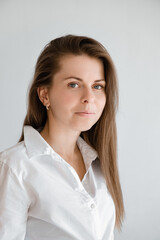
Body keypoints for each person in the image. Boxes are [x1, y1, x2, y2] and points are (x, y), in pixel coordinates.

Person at [0, 34, 124, 240]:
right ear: (44, 95)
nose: (89, 98)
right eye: (74, 84)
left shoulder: (99, 163)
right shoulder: (14, 167)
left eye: (97, 86)